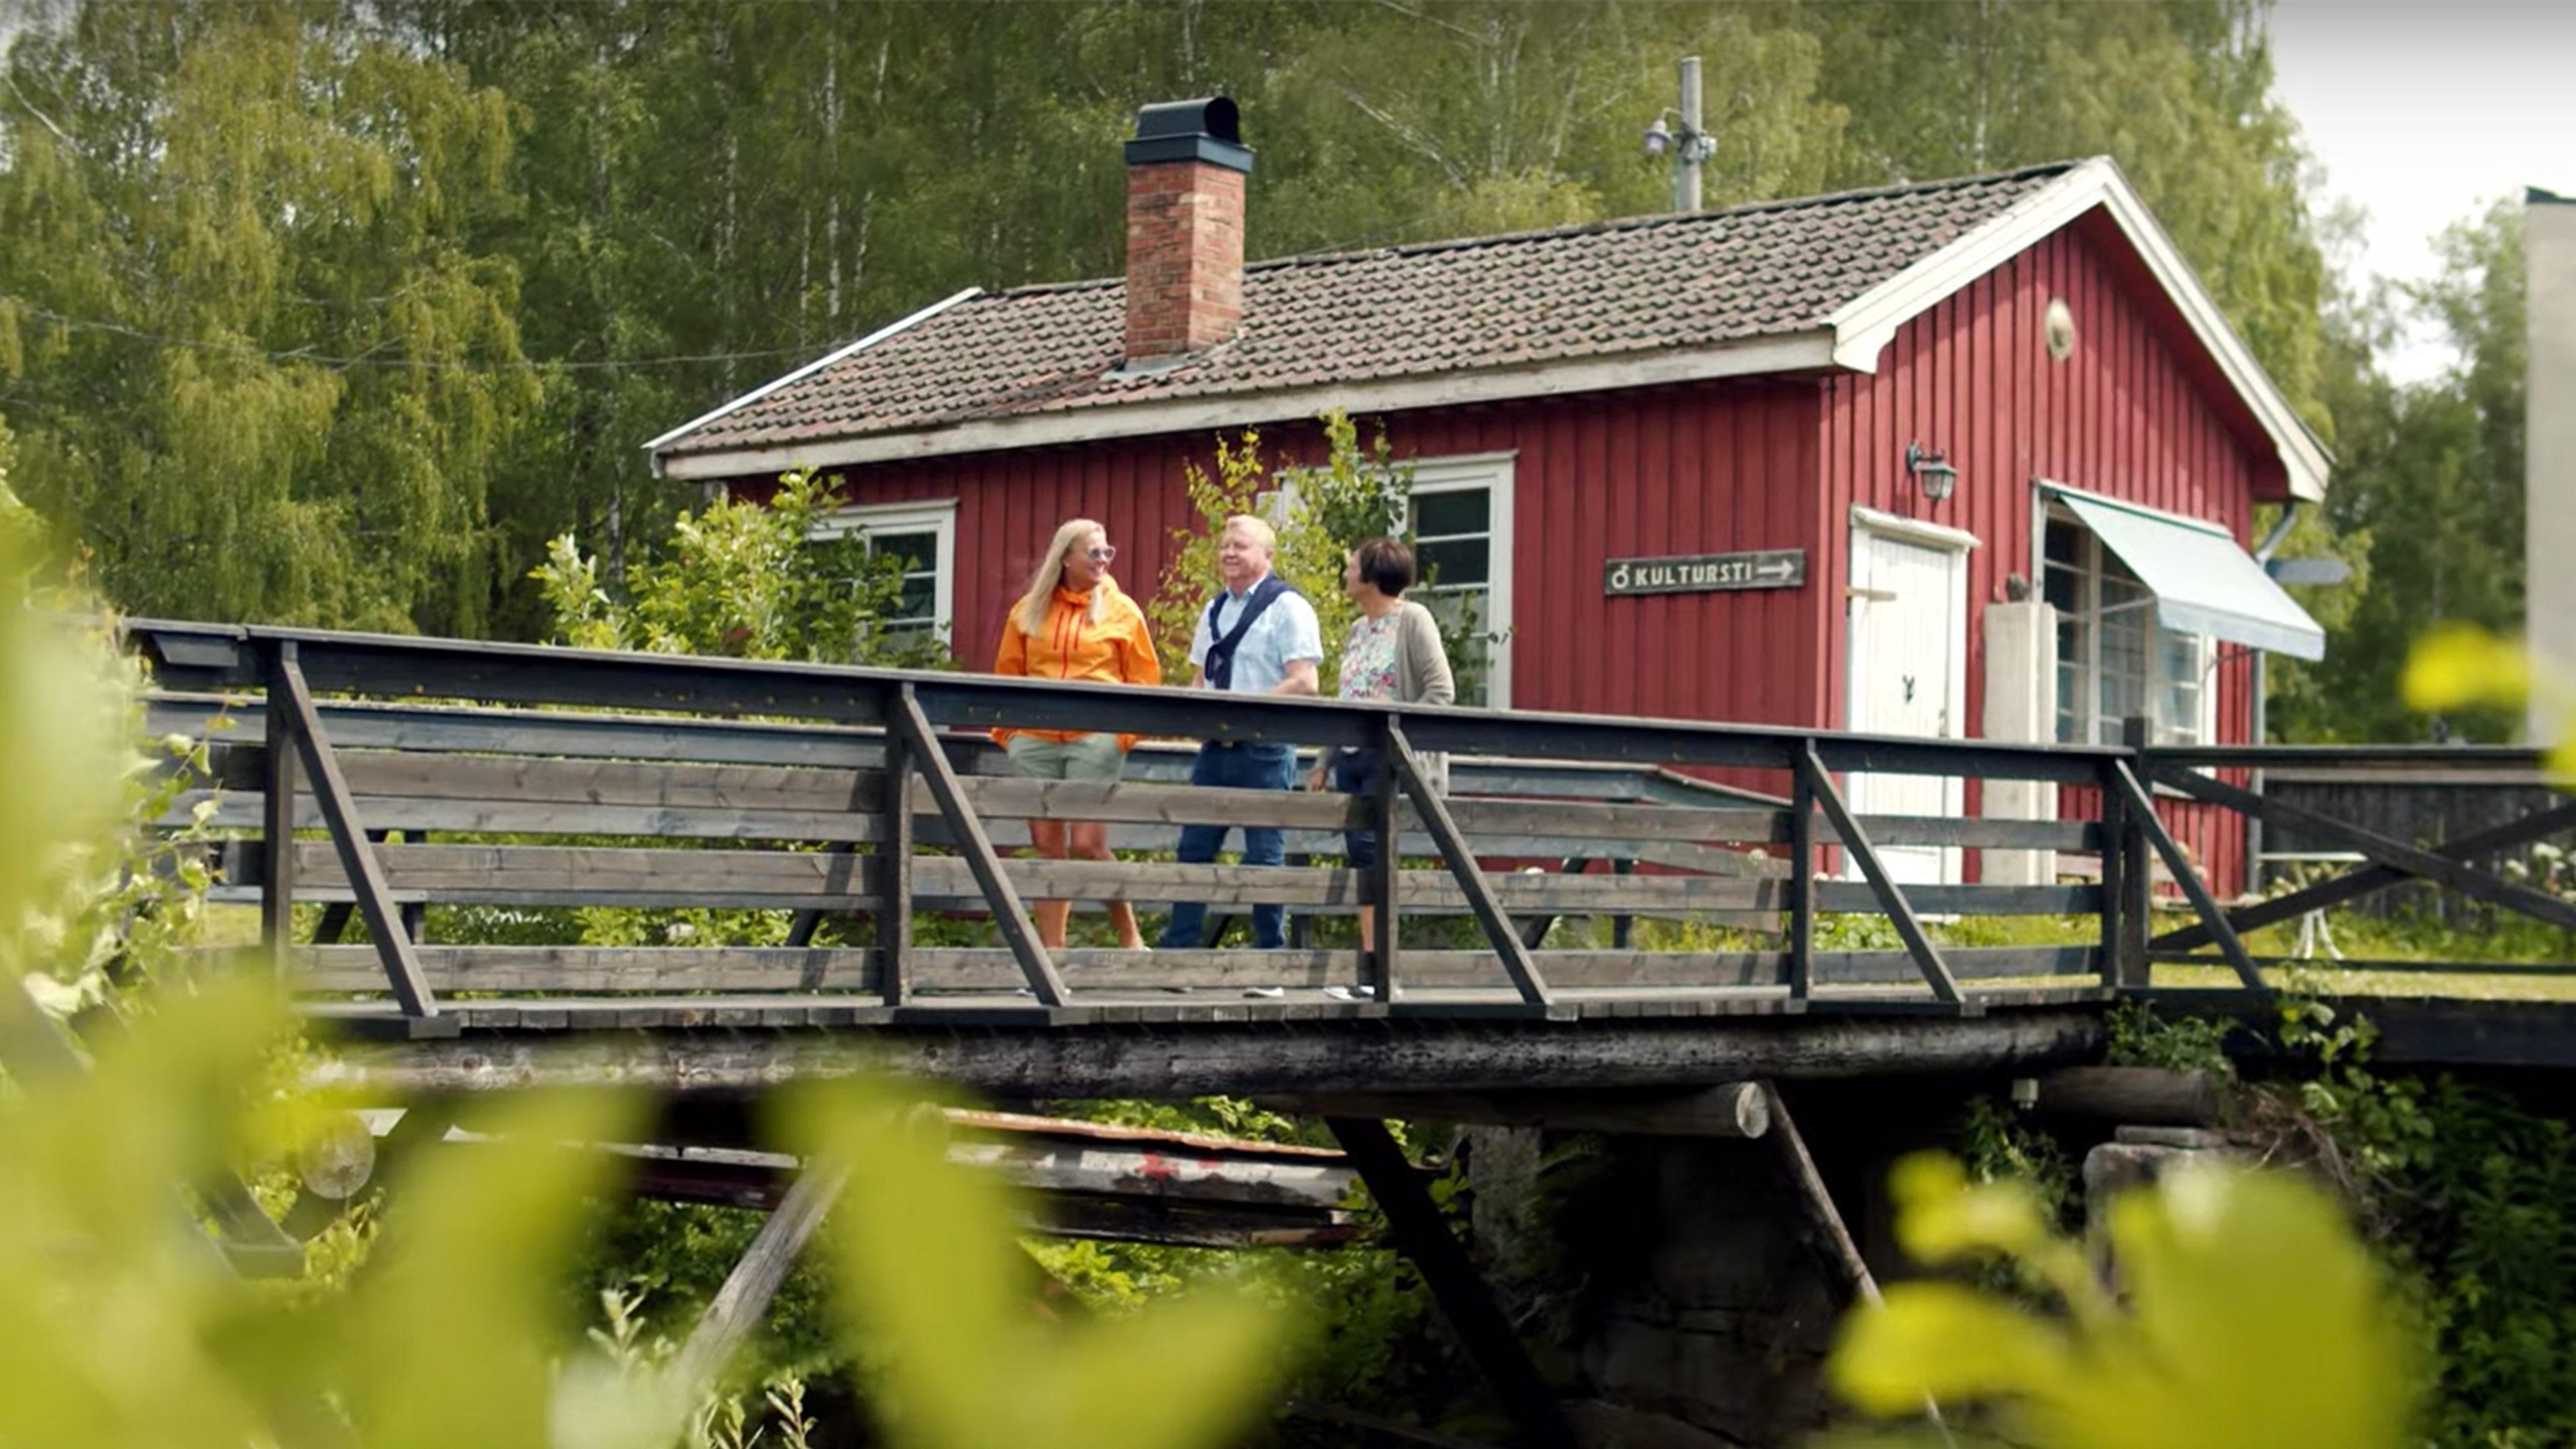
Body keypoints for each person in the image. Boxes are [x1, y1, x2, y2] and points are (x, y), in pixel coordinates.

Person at [992, 518, 1162, 951]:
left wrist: (1122, 736)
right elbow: (1007, 675)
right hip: (1035, 738)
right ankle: (1052, 955)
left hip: (1097, 736)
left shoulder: (1123, 610)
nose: (1103, 560)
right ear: (1066, 557)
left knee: (1088, 843)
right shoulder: (1028, 610)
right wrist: (1010, 733)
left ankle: (1130, 938)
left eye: (1108, 552)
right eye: (1094, 552)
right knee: (1047, 846)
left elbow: (1145, 681)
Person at [1157, 515, 1323, 952]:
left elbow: (1305, 681)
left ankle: (1270, 953)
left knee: (1264, 854)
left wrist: (1247, 713)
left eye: (1241, 545)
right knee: (1194, 847)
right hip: (1215, 748)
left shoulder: (1288, 607)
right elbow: (1200, 680)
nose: (1229, 552)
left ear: (1267, 556)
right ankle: (1180, 948)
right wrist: (1193, 721)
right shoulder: (1213, 609)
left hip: (1265, 749)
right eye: (1225, 544)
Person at [1305, 537, 1454, 957]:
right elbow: (1348, 696)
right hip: (1351, 759)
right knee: (1361, 859)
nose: (1347, 574)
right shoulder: (1358, 630)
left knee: (1375, 861)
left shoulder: (1414, 620)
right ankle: (1372, 958)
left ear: (1371, 576)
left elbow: (1441, 692)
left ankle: (1378, 964)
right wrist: (1323, 760)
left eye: (1353, 566)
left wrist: (1394, 729)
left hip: (1389, 757)